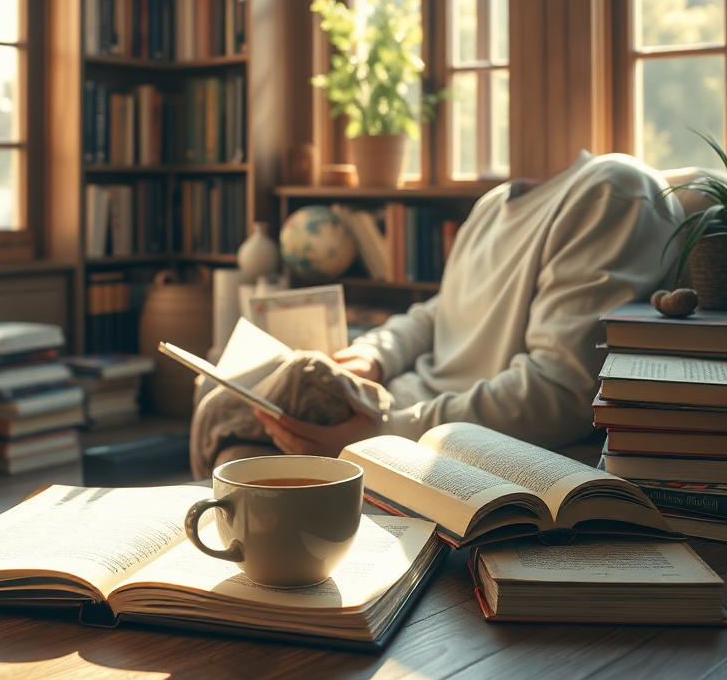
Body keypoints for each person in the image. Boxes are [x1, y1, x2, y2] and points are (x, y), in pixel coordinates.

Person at [252, 150, 684, 457]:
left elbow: (558, 392)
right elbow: (442, 310)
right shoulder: (492, 203)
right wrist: (373, 355)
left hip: (448, 441)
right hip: (395, 405)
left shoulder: (613, 189)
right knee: (243, 390)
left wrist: (385, 432)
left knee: (238, 414)